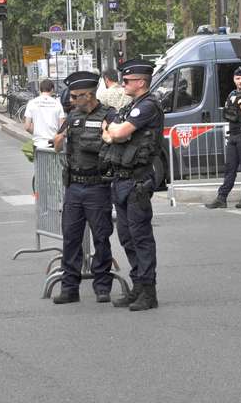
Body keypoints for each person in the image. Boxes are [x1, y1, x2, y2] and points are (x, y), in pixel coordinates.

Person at [101, 59, 164, 311]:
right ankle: (137, 285)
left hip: (138, 178)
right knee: (127, 236)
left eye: (127, 81)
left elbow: (115, 133)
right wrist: (112, 132)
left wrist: (113, 133)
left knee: (140, 237)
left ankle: (149, 292)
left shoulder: (148, 106)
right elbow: (109, 129)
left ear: (141, 82)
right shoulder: (131, 105)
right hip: (122, 178)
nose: (123, 84)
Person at [51, 71, 117, 304]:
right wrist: (60, 137)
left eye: (76, 96)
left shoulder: (109, 115)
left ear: (89, 95)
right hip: (74, 187)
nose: (71, 100)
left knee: (101, 237)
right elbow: (57, 146)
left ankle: (102, 286)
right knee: (70, 238)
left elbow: (114, 142)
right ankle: (70, 287)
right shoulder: (72, 116)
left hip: (97, 186)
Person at [206, 66, 241, 209]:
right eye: (238, 78)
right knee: (230, 168)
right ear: (234, 79)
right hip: (233, 135)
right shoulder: (232, 94)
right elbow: (228, 112)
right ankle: (221, 198)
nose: (240, 81)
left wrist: (240, 102)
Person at [23, 78, 64, 148]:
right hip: (53, 143)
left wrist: (37, 132)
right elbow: (62, 127)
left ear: (40, 89)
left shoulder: (32, 103)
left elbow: (27, 127)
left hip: (37, 143)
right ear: (52, 89)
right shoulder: (57, 104)